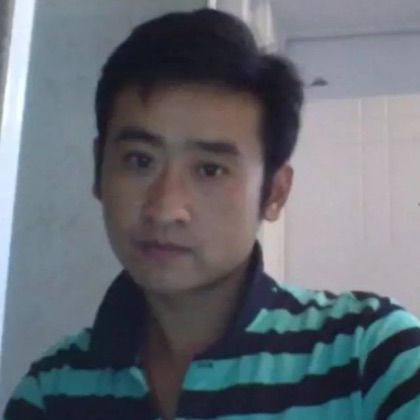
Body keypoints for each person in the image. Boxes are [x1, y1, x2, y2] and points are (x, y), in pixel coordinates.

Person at [3, 8, 420, 420]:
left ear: (274, 192)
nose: (166, 209)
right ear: (99, 170)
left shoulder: (373, 357)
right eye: (139, 160)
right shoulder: (52, 390)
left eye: (210, 170)